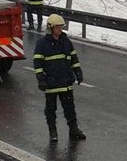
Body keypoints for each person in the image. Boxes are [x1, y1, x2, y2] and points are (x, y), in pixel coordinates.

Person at [33, 14, 87, 143]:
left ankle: (73, 129)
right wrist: (41, 79)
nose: (60, 29)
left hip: (66, 82)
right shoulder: (42, 44)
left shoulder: (66, 42)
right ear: (51, 28)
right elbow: (38, 63)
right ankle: (53, 132)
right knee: (51, 110)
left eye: (61, 27)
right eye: (58, 27)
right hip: (51, 84)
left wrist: (78, 73)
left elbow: (74, 59)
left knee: (70, 109)